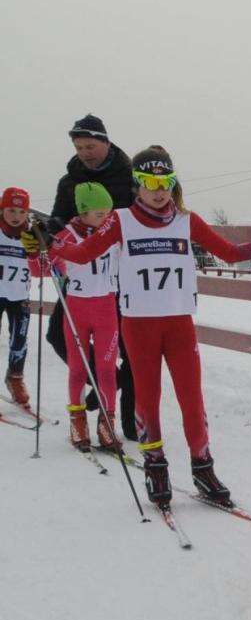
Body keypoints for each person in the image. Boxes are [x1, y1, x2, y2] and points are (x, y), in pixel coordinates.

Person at [50, 145, 251, 509]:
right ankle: (155, 464)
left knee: (192, 398)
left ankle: (203, 466)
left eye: (165, 182)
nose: (159, 190)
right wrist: (51, 244)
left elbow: (228, 252)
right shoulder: (121, 220)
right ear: (137, 185)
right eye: (150, 183)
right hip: (139, 325)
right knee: (148, 397)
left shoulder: (186, 219)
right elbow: (84, 254)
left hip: (179, 323)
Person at [49, 115, 137, 439]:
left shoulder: (127, 177)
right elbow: (57, 220)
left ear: (106, 142)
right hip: (80, 281)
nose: (85, 153)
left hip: (121, 278)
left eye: (90, 146)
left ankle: (128, 421)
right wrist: (49, 234)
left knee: (130, 349)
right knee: (57, 337)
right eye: (79, 147)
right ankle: (101, 385)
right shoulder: (69, 181)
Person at [47, 183, 124, 453]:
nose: (106, 218)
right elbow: (39, 267)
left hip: (106, 309)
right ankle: (77, 421)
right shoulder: (66, 235)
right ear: (82, 212)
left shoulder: (114, 234)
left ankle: (107, 422)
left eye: (108, 213)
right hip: (76, 310)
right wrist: (36, 246)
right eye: (99, 214)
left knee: (106, 369)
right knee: (78, 368)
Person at [0, 187, 42, 409]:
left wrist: (38, 252)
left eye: (21, 211)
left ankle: (15, 377)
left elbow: (43, 268)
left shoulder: (32, 234)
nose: (16, 216)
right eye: (11, 210)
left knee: (19, 339)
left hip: (20, 296)